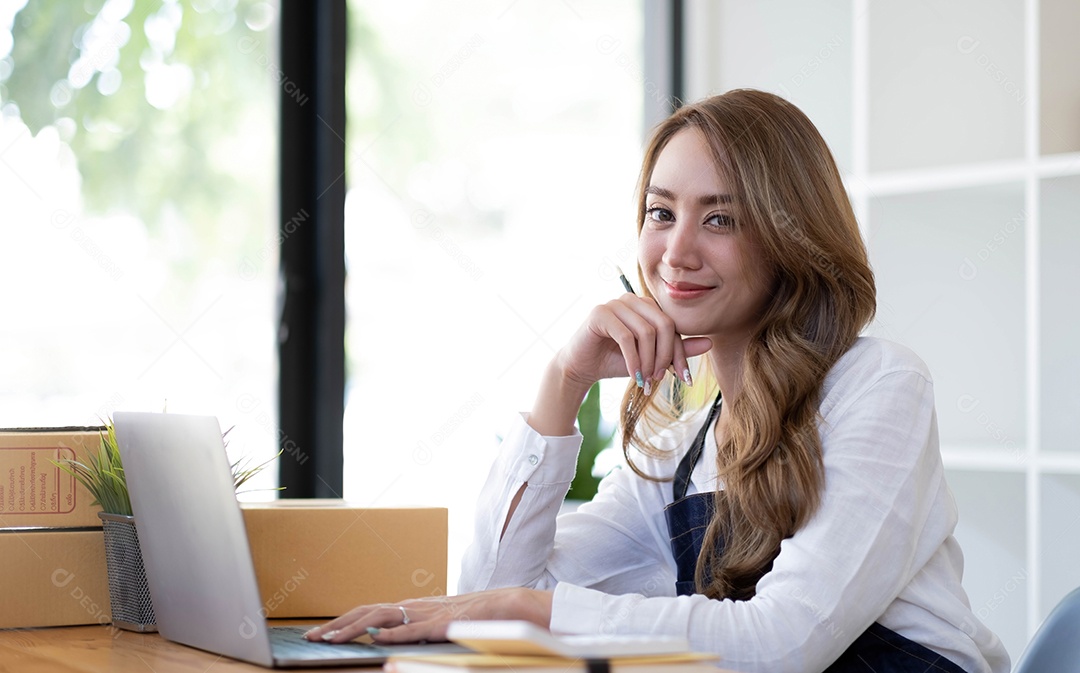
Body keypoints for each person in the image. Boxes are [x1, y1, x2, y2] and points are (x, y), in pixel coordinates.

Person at [305, 89, 1011, 673]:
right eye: (661, 212)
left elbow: (787, 641)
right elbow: (493, 590)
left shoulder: (879, 385)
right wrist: (566, 377)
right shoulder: (680, 451)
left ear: (790, 236)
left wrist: (533, 609)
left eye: (721, 218)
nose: (677, 251)